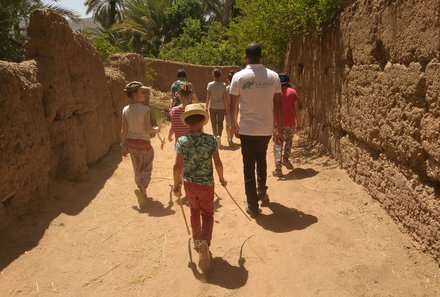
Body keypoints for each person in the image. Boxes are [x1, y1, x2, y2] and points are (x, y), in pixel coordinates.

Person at [230, 43, 283, 218]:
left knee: (248, 166)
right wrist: (279, 129)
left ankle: (252, 205)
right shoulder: (274, 77)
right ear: (261, 57)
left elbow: (232, 106)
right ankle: (262, 191)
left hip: (247, 129)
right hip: (266, 129)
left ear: (246, 57)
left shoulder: (238, 77)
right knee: (261, 159)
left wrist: (234, 125)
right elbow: (278, 105)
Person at [172, 103, 227, 272]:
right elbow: (217, 162)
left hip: (189, 184)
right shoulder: (210, 140)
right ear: (203, 122)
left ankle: (196, 241)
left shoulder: (181, 141)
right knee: (208, 214)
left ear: (187, 123)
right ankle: (205, 242)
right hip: (207, 184)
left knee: (194, 211)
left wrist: (176, 186)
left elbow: (177, 166)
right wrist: (222, 178)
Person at [120, 81, 158, 209]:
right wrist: (156, 129)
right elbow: (147, 129)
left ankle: (142, 192)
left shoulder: (125, 110)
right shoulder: (145, 109)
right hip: (144, 143)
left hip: (132, 143)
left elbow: (123, 130)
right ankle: (143, 188)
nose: (144, 94)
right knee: (147, 167)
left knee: (137, 168)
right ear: (135, 94)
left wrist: (122, 144)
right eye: (141, 92)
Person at [273, 73, 301, 177]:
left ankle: (278, 170)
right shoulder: (293, 92)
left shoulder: (274, 93)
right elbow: (297, 109)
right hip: (290, 123)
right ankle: (285, 158)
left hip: (277, 124)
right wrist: (299, 122)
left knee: (277, 145)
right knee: (288, 142)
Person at [206, 69, 228, 147]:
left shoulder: (210, 84)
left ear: (213, 75)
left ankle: (215, 136)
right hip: (221, 106)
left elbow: (208, 97)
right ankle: (219, 135)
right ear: (220, 75)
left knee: (213, 122)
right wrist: (227, 107)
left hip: (212, 106)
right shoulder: (223, 85)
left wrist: (206, 106)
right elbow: (225, 98)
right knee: (220, 122)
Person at [225, 71, 236, 147]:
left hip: (228, 107)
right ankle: (230, 139)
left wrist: (226, 107)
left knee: (227, 124)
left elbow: (224, 99)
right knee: (233, 124)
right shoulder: (236, 88)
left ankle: (228, 136)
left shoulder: (226, 88)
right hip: (234, 108)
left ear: (227, 79)